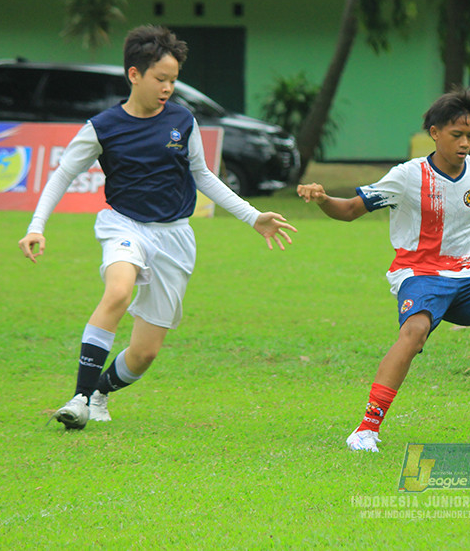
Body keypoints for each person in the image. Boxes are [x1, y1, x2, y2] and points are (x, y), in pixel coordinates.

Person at [18, 25, 297, 430]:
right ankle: (78, 398)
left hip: (175, 237)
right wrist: (37, 226)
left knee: (145, 352)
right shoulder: (103, 126)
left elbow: (203, 175)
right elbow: (62, 174)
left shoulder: (183, 120)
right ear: (135, 75)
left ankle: (99, 391)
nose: (168, 88)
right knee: (117, 291)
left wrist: (254, 217)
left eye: (173, 80)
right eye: (160, 79)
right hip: (124, 224)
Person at [297, 88, 470, 452]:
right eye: (456, 135)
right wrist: (323, 200)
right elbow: (350, 209)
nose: (465, 143)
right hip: (420, 275)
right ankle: (366, 429)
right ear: (434, 132)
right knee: (413, 335)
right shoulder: (407, 176)